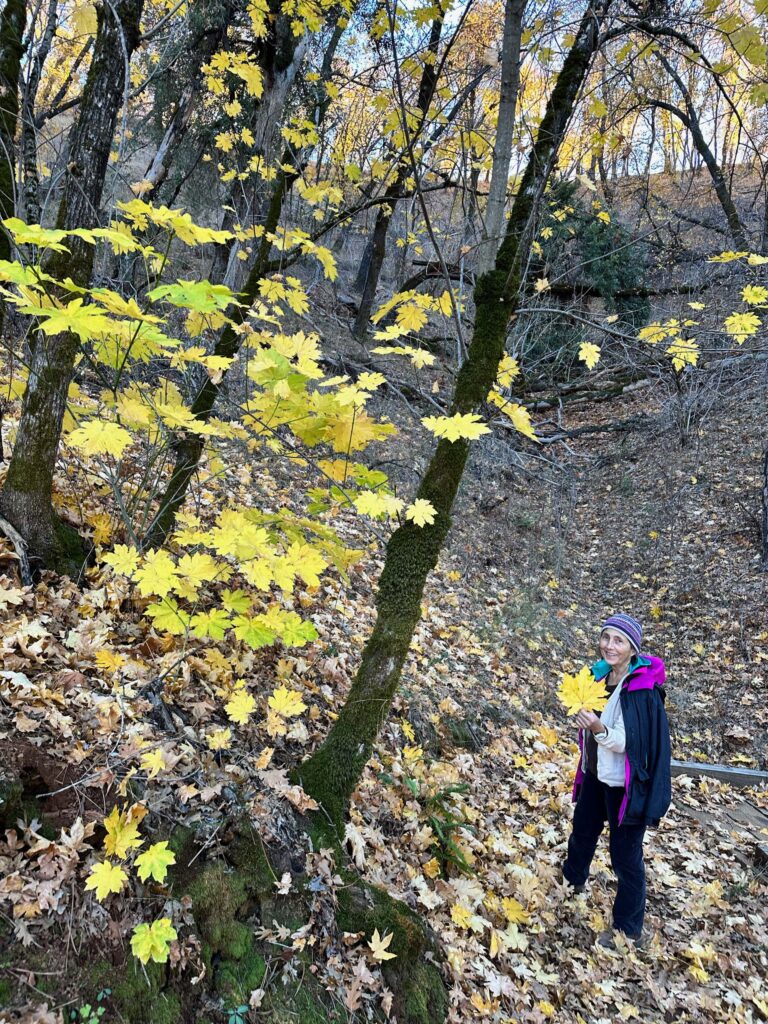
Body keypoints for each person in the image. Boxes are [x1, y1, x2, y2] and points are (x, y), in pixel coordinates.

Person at [562, 613, 671, 949]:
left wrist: (597, 729)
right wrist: (585, 723)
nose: (610, 645)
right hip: (596, 775)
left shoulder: (641, 690)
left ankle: (628, 928)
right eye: (606, 637)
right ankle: (572, 882)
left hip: (626, 786)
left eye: (618, 640)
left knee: (624, 855)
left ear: (632, 648)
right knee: (582, 832)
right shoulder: (598, 677)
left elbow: (632, 743)